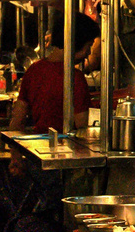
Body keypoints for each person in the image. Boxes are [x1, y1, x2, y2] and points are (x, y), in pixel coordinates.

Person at [9, 9, 101, 139]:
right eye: (89, 46)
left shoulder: (34, 70)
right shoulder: (74, 78)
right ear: (77, 42)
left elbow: (17, 121)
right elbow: (82, 125)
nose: (89, 53)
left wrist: (16, 157)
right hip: (67, 151)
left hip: (38, 149)